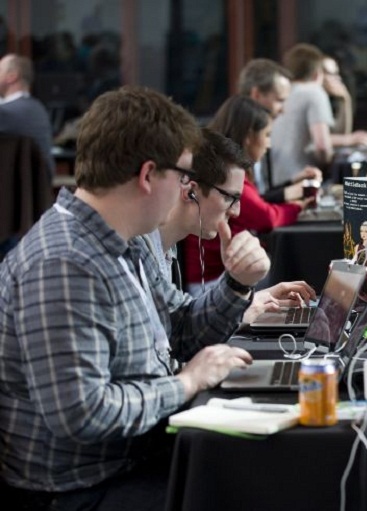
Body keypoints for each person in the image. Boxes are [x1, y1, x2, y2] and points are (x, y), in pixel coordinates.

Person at [0, 86, 267, 510]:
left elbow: (179, 330)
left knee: (259, 473)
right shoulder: (65, 262)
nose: (186, 189)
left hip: (128, 463)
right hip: (79, 490)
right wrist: (186, 382)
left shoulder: (125, 243)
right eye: (183, 176)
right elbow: (83, 415)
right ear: (147, 176)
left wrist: (235, 286)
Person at [143, 127, 316, 322]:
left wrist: (251, 302)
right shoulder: (142, 251)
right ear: (191, 192)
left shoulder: (167, 247)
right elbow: (175, 335)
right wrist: (238, 290)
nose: (236, 212)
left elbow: (178, 323)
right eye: (230, 198)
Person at [184, 96, 304, 296]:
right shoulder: (227, 177)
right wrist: (299, 207)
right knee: (284, 272)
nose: (269, 144)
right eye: (267, 135)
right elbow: (267, 218)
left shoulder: (227, 173)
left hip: (214, 278)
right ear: (249, 135)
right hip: (208, 283)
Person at [270, 43, 367, 184]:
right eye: (331, 73)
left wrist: (345, 101)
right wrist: (349, 140)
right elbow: (322, 146)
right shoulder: (314, 92)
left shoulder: (287, 90)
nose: (338, 78)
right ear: (318, 73)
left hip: (276, 178)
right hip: (300, 178)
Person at [237, 58, 322, 199]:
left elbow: (262, 195)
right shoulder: (236, 138)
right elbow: (250, 207)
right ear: (256, 95)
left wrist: (293, 182)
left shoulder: (261, 132)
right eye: (279, 100)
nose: (283, 110)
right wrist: (291, 192)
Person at [0, 53, 55, 175]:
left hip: (10, 188)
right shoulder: (38, 108)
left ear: (11, 76)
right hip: (37, 188)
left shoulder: (6, 113)